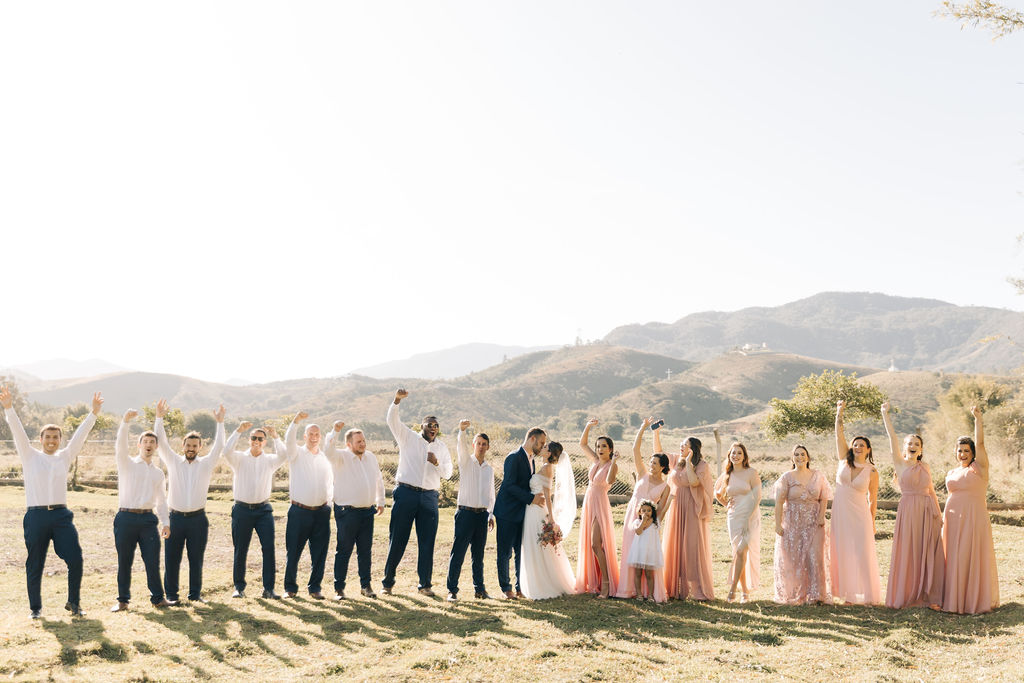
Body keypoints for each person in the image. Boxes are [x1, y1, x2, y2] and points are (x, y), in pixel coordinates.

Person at [1, 386, 101, 619]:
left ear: (59, 440)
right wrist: (9, 409)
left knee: (75, 558)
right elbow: (18, 433)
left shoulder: (64, 457)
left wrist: (93, 414)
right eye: (48, 437)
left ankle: (74, 604)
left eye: (56, 437)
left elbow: (80, 437)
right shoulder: (30, 456)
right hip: (35, 516)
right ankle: (35, 609)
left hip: (60, 516)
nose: (52, 441)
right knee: (35, 562)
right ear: (41, 439)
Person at [154, 400, 226, 605]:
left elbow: (220, 446)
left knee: (196, 559)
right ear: (183, 446)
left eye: (195, 446)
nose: (191, 448)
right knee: (172, 560)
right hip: (175, 518)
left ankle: (195, 594)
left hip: (197, 519)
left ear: (200, 447)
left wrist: (220, 423)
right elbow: (162, 442)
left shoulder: (206, 464)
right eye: (188, 445)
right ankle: (171, 595)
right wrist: (159, 418)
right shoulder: (173, 461)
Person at [222, 412, 302, 599]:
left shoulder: (270, 460)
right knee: (240, 549)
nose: (257, 440)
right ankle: (239, 588)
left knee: (268, 549)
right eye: (254, 438)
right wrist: (238, 431)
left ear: (264, 442)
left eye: (260, 438)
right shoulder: (239, 459)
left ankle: (269, 589)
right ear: (249, 440)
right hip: (241, 509)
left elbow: (284, 454)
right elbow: (226, 451)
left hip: (263, 510)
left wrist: (275, 436)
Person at [382, 389, 453, 597]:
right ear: (422, 426)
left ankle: (425, 585)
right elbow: (392, 420)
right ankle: (387, 583)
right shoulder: (408, 437)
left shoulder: (442, 448)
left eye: (436, 425)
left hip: (430, 498)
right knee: (398, 539)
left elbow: (448, 474)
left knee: (427, 542)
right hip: (406, 493)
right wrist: (396, 401)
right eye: (430, 424)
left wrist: (436, 462)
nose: (434, 428)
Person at [881, 402, 944, 609]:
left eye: (917, 442)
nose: (913, 444)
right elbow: (892, 438)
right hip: (908, 510)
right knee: (909, 550)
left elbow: (932, 489)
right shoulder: (900, 463)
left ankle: (927, 596)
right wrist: (885, 415)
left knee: (927, 552)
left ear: (921, 448)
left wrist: (938, 513)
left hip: (928, 511)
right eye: (910, 442)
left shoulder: (924, 466)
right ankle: (908, 594)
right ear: (906, 446)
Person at [111, 409, 172, 612]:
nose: (148, 445)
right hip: (125, 517)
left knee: (152, 560)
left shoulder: (157, 473)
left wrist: (166, 523)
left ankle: (158, 598)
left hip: (148, 520)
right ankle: (122, 601)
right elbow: (119, 447)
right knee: (124, 561)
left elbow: (161, 501)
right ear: (139, 445)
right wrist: (125, 423)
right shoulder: (127, 464)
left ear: (156, 447)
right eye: (145, 441)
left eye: (152, 442)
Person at [941, 405, 999, 614]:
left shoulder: (980, 468)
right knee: (954, 556)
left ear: (973, 453)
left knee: (970, 554)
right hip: (952, 518)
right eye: (960, 450)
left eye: (967, 450)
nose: (963, 454)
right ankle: (952, 599)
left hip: (974, 518)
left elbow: (981, 442)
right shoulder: (953, 470)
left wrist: (977, 419)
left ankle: (972, 600)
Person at [324, 422, 385, 600]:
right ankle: (339, 588)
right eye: (358, 441)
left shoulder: (371, 457)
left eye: (364, 441)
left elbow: (378, 479)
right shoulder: (340, 457)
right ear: (349, 444)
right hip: (346, 512)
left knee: (365, 551)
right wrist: (334, 430)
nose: (363, 444)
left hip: (367, 512)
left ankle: (365, 586)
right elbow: (328, 450)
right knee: (344, 550)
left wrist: (380, 500)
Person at [614, 417, 671, 602]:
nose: (651, 465)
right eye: (651, 462)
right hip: (633, 516)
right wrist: (643, 427)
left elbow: (661, 509)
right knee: (631, 552)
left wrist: (650, 524)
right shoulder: (642, 474)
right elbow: (635, 450)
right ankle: (629, 590)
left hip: (649, 522)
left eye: (655, 463)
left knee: (646, 556)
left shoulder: (665, 487)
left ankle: (649, 593)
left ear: (662, 467)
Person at [831, 400, 881, 605]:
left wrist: (873, 521)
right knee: (842, 549)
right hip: (840, 511)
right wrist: (839, 412)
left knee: (862, 550)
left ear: (868, 449)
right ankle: (848, 594)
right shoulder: (844, 459)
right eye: (856, 444)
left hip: (860, 515)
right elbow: (838, 434)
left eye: (862, 445)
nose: (858, 447)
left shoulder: (872, 471)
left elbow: (873, 499)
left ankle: (868, 594)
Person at [773, 445, 831, 605]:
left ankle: (816, 595)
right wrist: (778, 524)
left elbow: (824, 497)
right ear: (792, 458)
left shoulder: (818, 476)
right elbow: (778, 502)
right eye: (796, 455)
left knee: (815, 557)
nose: (800, 457)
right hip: (793, 522)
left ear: (808, 457)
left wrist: (821, 516)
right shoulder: (787, 477)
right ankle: (796, 593)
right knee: (794, 558)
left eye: (803, 454)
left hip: (814, 522)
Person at [659, 432, 714, 601]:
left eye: (685, 444)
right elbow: (658, 451)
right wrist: (655, 432)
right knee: (675, 543)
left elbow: (694, 482)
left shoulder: (701, 465)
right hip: (676, 505)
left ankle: (696, 589)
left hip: (691, 506)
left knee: (691, 546)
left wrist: (689, 462)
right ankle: (675, 587)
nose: (681, 446)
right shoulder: (676, 460)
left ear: (693, 449)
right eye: (681, 444)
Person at [494, 427, 547, 599]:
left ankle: (520, 587)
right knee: (505, 552)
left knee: (520, 551)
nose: (542, 446)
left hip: (521, 512)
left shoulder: (531, 460)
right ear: (532, 439)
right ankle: (506, 588)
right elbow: (509, 485)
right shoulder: (513, 457)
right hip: (507, 511)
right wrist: (532, 499)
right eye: (541, 443)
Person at [283, 418, 333, 600]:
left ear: (320, 437)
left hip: (321, 511)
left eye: (316, 434)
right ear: (304, 436)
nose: (313, 437)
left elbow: (329, 482)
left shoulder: (325, 457)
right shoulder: (295, 454)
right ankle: (290, 588)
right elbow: (288, 440)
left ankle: (315, 588)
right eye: (310, 434)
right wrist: (295, 422)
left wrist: (329, 504)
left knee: (319, 553)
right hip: (299, 511)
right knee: (294, 551)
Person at [519, 442, 577, 600]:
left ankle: (544, 583)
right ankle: (535, 581)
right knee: (534, 545)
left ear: (550, 453)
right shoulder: (543, 465)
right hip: (532, 509)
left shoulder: (547, 468)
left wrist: (551, 517)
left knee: (538, 546)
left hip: (538, 511)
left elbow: (547, 495)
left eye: (545, 448)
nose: (542, 448)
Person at [446, 420, 496, 601]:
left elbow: (491, 493)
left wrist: (490, 514)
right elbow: (461, 446)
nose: (481, 447)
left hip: (481, 515)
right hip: (465, 513)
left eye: (484, 444)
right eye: (478, 443)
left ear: (488, 447)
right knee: (458, 553)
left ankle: (480, 590)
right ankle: (452, 590)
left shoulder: (489, 469)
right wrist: (461, 431)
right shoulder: (466, 462)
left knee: (478, 556)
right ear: (474, 445)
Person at [575, 418, 619, 598]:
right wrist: (588, 426)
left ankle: (607, 584)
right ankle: (595, 582)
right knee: (590, 544)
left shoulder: (611, 465)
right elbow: (582, 444)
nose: (600, 449)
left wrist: (614, 462)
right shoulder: (594, 460)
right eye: (598, 446)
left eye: (604, 446)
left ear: (610, 449)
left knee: (596, 544)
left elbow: (609, 481)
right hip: (588, 502)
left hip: (600, 504)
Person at [714, 442, 761, 603]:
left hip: (750, 515)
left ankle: (733, 589)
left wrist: (749, 516)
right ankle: (745, 591)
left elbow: (758, 497)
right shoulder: (727, 474)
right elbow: (717, 493)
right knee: (738, 553)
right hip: (733, 517)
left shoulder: (751, 473)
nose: (736, 456)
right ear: (729, 456)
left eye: (739, 453)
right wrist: (727, 505)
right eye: (733, 453)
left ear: (744, 456)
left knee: (742, 551)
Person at [627, 500, 663, 601]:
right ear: (639, 512)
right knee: (638, 573)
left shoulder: (655, 523)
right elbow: (638, 532)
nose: (646, 512)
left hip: (650, 552)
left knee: (649, 575)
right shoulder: (637, 522)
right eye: (643, 510)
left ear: (652, 512)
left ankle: (650, 595)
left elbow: (663, 511)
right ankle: (639, 594)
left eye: (649, 510)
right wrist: (643, 521)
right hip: (638, 551)